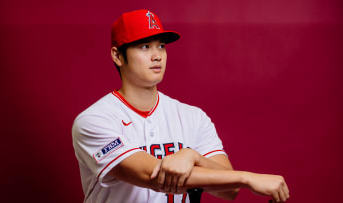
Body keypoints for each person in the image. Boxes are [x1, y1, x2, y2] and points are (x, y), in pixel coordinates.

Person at [72, 9, 290, 203]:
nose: (157, 56)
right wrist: (247, 177)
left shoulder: (193, 117)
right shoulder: (94, 120)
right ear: (117, 56)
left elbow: (228, 190)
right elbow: (153, 177)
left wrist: (194, 156)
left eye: (161, 46)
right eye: (145, 46)